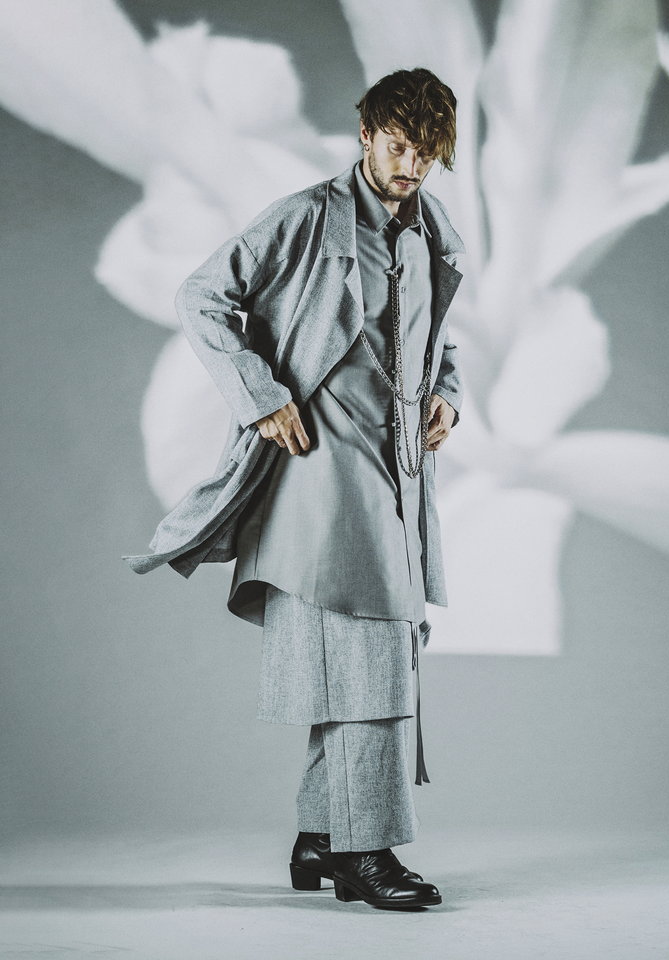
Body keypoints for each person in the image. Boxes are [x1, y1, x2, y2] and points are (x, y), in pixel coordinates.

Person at [125, 67, 465, 910]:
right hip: (324, 475)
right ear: (366, 134)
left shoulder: (430, 230)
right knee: (373, 658)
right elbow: (201, 295)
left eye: (426, 153)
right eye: (398, 146)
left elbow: (435, 336)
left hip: (396, 473)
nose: (410, 166)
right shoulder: (306, 216)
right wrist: (261, 394)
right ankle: (365, 852)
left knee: (358, 661)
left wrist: (447, 395)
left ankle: (321, 838)